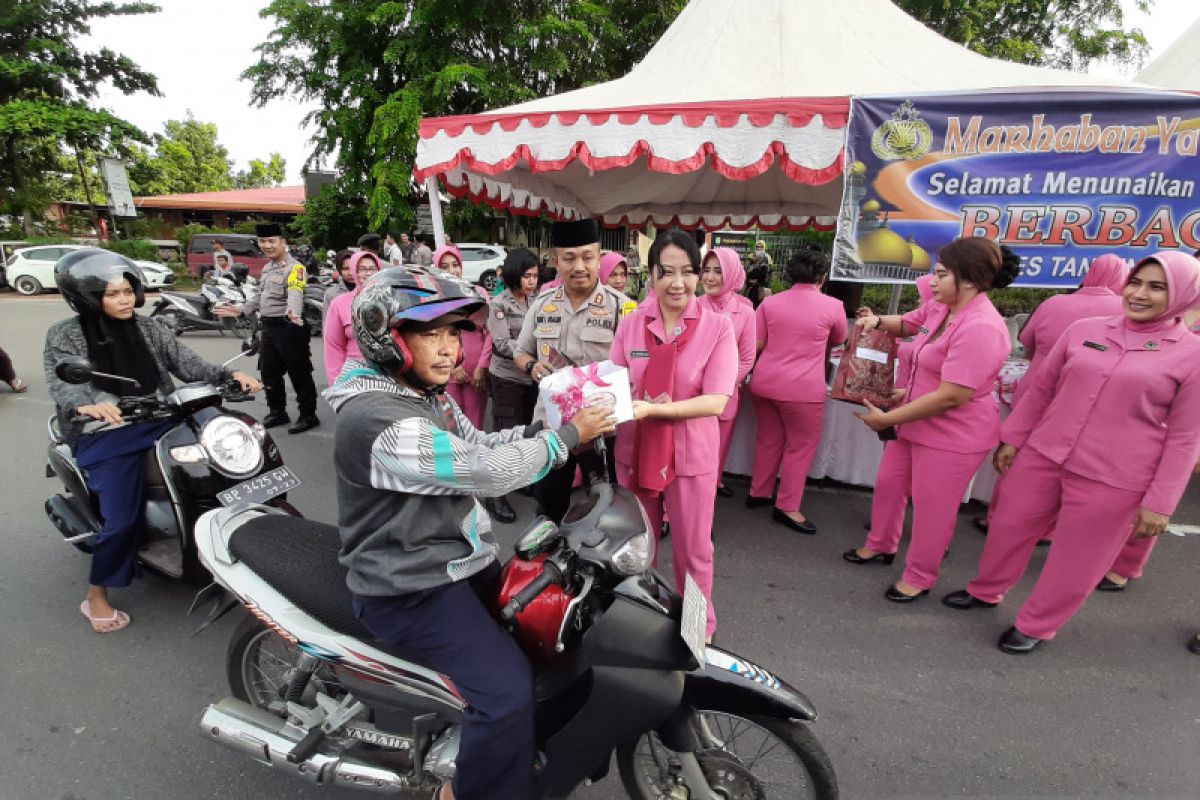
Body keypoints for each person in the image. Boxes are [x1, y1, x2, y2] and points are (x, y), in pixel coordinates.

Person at [324, 266, 615, 800]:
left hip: (456, 562)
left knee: (541, 645)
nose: (448, 349)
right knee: (505, 692)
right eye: (429, 334)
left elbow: (479, 444)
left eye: (454, 333)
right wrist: (565, 438)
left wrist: (544, 431)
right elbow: (483, 472)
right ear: (386, 338)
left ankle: (506, 751)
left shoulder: (425, 397)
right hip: (408, 587)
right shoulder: (377, 417)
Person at [943, 251, 1200, 654]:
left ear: (1185, 294)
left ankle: (1037, 625)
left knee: (1078, 558)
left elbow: (1186, 437)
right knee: (1008, 526)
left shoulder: (1192, 355)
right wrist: (1014, 438)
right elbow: (1042, 389)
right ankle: (986, 590)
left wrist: (1161, 503)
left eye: (1157, 286)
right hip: (1045, 453)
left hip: (1116, 475)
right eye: (1135, 282)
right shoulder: (1085, 329)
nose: (1139, 293)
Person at [43, 249, 260, 633]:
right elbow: (63, 384)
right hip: (105, 433)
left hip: (159, 418)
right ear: (87, 297)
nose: (125, 299)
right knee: (122, 520)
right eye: (113, 294)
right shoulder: (64, 335)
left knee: (219, 469)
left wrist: (230, 377)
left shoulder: (150, 328)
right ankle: (96, 595)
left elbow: (188, 364)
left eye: (128, 291)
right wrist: (90, 406)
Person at [845, 237, 1017, 601]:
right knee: (890, 485)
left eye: (941, 274)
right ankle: (881, 544)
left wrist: (888, 418)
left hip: (953, 435)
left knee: (932, 509)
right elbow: (908, 325)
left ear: (969, 279)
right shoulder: (942, 308)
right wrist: (877, 320)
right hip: (914, 420)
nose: (933, 282)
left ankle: (920, 576)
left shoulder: (982, 327)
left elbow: (953, 395)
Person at [610, 230, 737, 641]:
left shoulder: (718, 328)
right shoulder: (632, 324)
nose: (676, 283)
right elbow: (612, 381)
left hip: (690, 456)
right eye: (666, 272)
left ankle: (698, 628)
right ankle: (644, 618)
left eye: (687, 272)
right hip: (636, 448)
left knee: (693, 550)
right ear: (651, 275)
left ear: (698, 276)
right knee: (639, 546)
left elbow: (716, 400)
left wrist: (655, 409)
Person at [973, 253, 1128, 536]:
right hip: (1088, 401)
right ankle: (1048, 529)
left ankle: (996, 518)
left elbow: (1025, 340)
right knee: (1069, 467)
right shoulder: (1124, 312)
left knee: (1017, 458)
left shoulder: (1056, 303)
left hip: (1037, 391)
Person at [513, 218, 631, 523]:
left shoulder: (623, 308)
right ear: (556, 261)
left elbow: (638, 364)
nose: (579, 266)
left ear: (599, 258)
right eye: (569, 258)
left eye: (587, 257)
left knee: (603, 507)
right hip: (551, 427)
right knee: (548, 506)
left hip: (600, 428)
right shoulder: (541, 304)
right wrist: (532, 365)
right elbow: (520, 351)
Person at [747, 250, 847, 533]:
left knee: (769, 439)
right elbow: (839, 338)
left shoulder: (769, 303)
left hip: (764, 381)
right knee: (800, 446)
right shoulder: (833, 306)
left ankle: (759, 492)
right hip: (802, 388)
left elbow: (759, 343)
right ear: (822, 277)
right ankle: (787, 506)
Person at [224, 223, 319, 434]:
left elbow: (295, 292)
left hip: (289, 327)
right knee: (269, 373)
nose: (267, 245)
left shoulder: (295, 268)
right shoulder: (267, 268)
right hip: (269, 328)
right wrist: (241, 310)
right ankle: (277, 411)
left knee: (299, 373)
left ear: (283, 242)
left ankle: (308, 415)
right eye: (263, 241)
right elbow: (261, 296)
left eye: (271, 241)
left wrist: (293, 311)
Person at [485, 248, 542, 524]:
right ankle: (494, 494)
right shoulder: (499, 304)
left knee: (525, 432)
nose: (531, 281)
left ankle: (518, 479)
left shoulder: (536, 300)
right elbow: (501, 344)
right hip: (507, 378)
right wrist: (531, 356)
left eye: (534, 276)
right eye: (526, 276)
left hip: (530, 378)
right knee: (505, 433)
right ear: (513, 275)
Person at [696, 247, 756, 497]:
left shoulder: (746, 311)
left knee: (716, 454)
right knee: (689, 457)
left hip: (723, 397)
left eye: (718, 271)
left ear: (731, 274)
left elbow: (747, 359)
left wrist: (718, 387)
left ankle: (707, 499)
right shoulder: (693, 305)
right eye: (706, 270)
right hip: (691, 395)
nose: (709, 277)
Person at [323, 251, 382, 385]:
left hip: (390, 374)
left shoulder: (392, 300)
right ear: (354, 272)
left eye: (372, 268)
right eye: (361, 269)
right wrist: (337, 383)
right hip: (354, 376)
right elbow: (334, 347)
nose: (367, 273)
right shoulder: (339, 303)